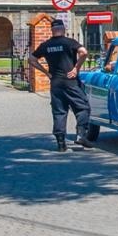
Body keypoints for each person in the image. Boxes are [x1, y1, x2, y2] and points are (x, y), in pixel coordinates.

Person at [31, 19, 90, 151]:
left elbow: (32, 59)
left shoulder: (46, 45)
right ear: (63, 29)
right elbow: (84, 52)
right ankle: (81, 135)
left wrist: (46, 72)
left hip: (56, 83)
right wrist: (76, 68)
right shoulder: (69, 42)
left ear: (52, 30)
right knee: (82, 107)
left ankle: (61, 143)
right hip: (71, 82)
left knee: (59, 112)